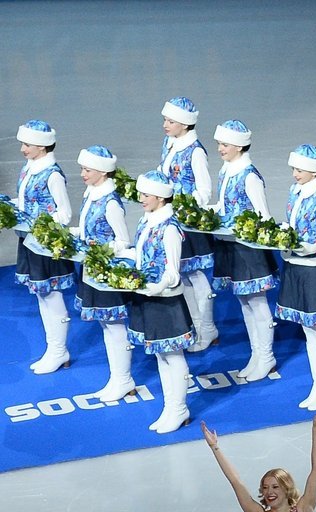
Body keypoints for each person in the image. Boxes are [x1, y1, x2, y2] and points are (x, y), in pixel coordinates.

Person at [208, 120, 280, 381]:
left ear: (239, 146)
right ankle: (256, 354)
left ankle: (267, 355)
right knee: (244, 302)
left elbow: (263, 216)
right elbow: (225, 204)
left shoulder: (249, 176)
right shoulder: (226, 169)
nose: (220, 149)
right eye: (219, 144)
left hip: (248, 250)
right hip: (230, 246)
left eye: (224, 144)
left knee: (257, 303)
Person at [129, 171, 198, 434]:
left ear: (160, 197)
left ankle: (180, 408)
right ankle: (170, 407)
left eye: (146, 194)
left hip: (165, 300)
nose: (141, 198)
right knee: (160, 354)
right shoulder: (147, 221)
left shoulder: (169, 228)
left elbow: (172, 270)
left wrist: (156, 287)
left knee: (172, 353)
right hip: (147, 295)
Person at [276, 144, 316, 411]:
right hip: (295, 265)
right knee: (307, 330)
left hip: (314, 269)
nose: (295, 173)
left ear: (314, 171)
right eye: (294, 168)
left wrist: (310, 246)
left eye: (300, 169)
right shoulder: (297, 191)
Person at [71, 145, 137, 404]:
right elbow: (88, 229)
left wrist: (101, 250)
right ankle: (116, 377)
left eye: (87, 169)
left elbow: (123, 241)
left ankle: (123, 378)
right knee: (105, 325)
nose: (82, 174)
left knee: (115, 325)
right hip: (93, 269)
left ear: (102, 171)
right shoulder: (92, 194)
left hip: (108, 272)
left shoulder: (111, 203)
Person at [157, 97, 218, 350]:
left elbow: (204, 191)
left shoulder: (195, 151)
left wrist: (182, 204)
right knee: (183, 275)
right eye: (165, 120)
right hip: (171, 219)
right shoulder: (170, 142)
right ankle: (195, 326)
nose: (165, 125)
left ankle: (208, 328)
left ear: (185, 124)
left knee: (195, 275)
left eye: (170, 121)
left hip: (188, 223)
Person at [15, 119, 73, 374]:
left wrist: (38, 222)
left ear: (42, 146)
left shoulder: (53, 175)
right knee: (41, 295)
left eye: (27, 144)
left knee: (52, 294)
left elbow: (65, 214)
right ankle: (53, 348)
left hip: (47, 245)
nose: (22, 149)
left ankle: (60, 350)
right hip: (30, 240)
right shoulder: (29, 167)